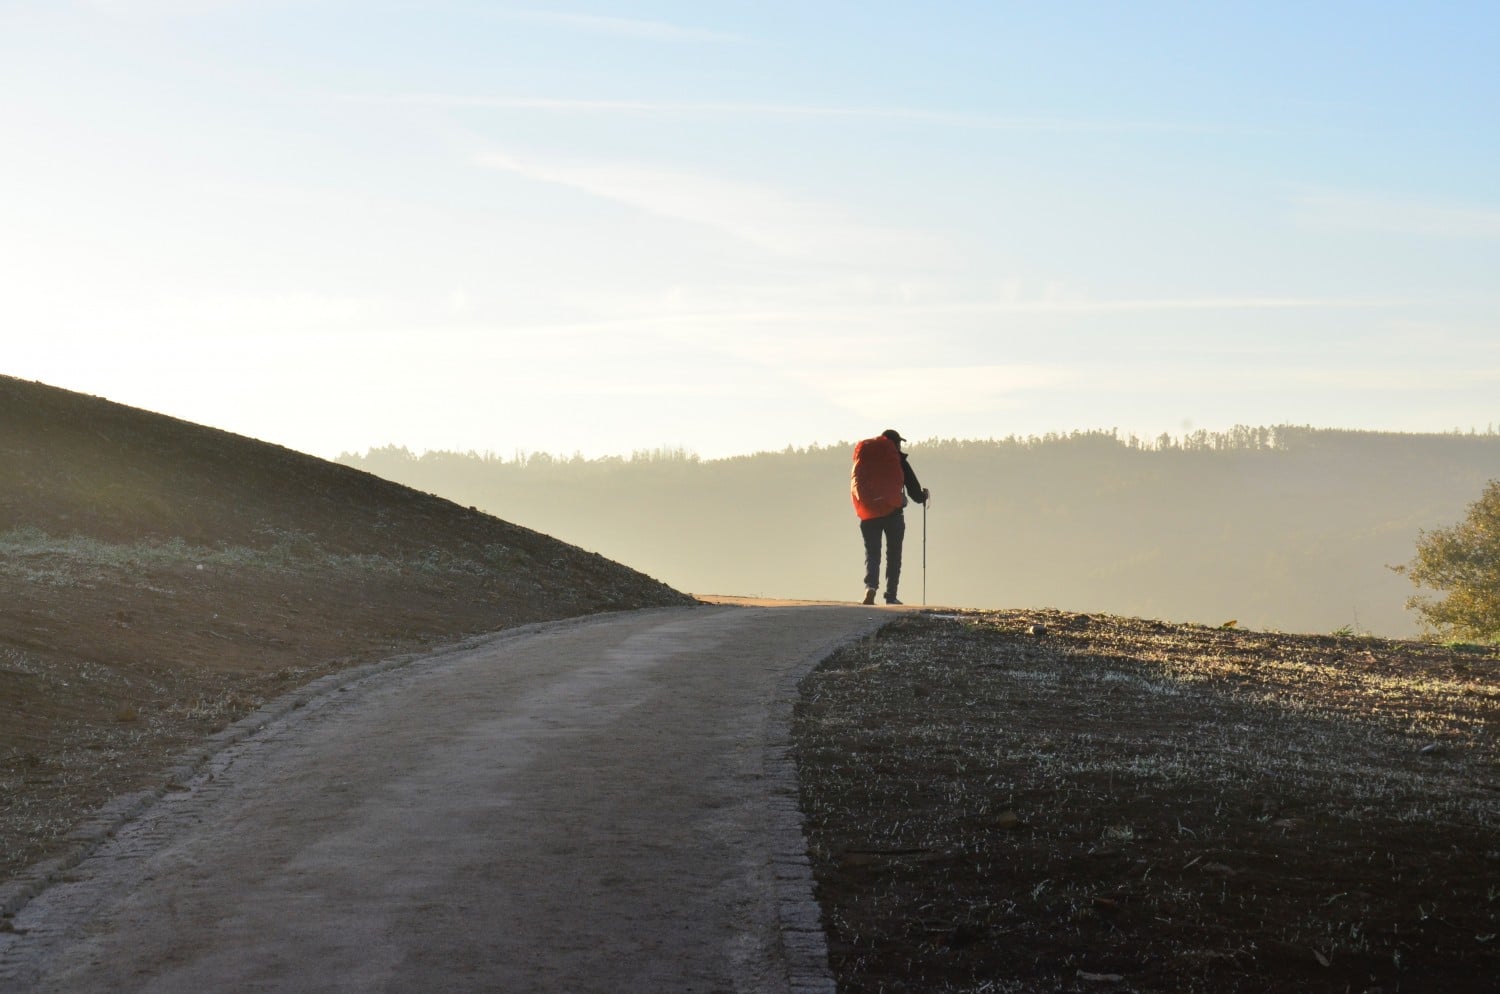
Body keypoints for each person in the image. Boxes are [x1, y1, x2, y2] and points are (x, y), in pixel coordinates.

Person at [860, 429, 929, 605]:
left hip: (869, 514)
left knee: (873, 553)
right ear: (894, 443)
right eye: (899, 442)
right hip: (893, 515)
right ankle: (891, 595)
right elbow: (913, 489)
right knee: (894, 555)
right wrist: (923, 496)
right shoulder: (897, 460)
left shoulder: (866, 459)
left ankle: (871, 587)